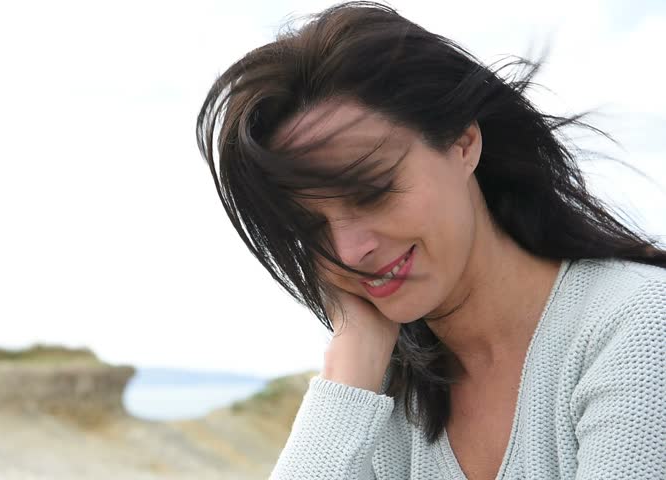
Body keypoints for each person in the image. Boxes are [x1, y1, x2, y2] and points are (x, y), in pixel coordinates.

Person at [195, 2, 666, 479]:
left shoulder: (639, 327)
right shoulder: (381, 401)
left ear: (463, 143)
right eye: (310, 228)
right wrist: (350, 366)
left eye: (371, 192)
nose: (349, 252)